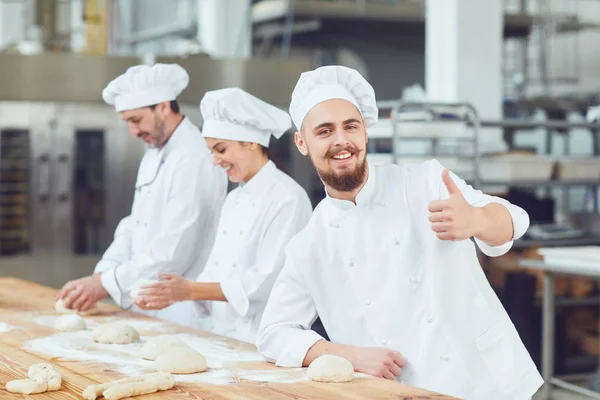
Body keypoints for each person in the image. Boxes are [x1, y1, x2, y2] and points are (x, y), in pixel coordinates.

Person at [256, 66, 543, 399]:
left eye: (351, 126)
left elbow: (513, 219)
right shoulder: (310, 243)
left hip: (481, 383)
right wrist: (346, 354)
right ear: (302, 143)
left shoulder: (425, 182)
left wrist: (477, 220)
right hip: (398, 392)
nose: (341, 140)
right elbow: (273, 333)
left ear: (365, 132)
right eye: (324, 131)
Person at [134, 88, 313, 343]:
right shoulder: (234, 199)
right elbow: (215, 269)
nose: (215, 161)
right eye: (212, 152)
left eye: (221, 149)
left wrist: (190, 290)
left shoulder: (288, 198)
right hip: (222, 336)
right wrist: (172, 295)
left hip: (265, 339)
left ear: (252, 142)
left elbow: (265, 282)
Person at [56, 64, 227, 326]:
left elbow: (174, 251)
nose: (133, 132)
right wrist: (102, 274)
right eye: (127, 122)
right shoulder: (154, 153)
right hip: (147, 302)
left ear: (163, 107)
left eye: (136, 120)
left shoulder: (195, 157)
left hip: (185, 312)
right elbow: (134, 225)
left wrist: (106, 283)